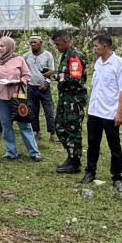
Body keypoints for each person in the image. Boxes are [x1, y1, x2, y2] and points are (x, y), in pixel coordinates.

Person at [0, 36, 42, 161]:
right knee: (6, 125)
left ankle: (34, 152)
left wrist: (17, 82)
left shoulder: (19, 59)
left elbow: (27, 76)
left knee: (24, 124)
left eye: (2, 46)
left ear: (10, 46)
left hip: (18, 96)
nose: (0, 48)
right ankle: (11, 152)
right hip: (2, 97)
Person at [84, 33, 122, 191]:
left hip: (110, 112)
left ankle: (117, 177)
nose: (94, 49)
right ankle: (90, 171)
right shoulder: (98, 63)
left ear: (105, 46)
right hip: (95, 111)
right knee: (92, 143)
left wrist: (119, 113)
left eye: (96, 46)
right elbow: (96, 88)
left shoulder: (120, 64)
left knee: (114, 145)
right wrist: (89, 108)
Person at [51, 29, 89, 175]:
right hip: (65, 99)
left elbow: (75, 76)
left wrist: (53, 74)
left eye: (58, 44)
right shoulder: (66, 55)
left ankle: (74, 162)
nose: (57, 47)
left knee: (73, 130)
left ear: (65, 41)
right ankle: (71, 156)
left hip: (74, 99)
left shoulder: (75, 56)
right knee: (60, 127)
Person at [23, 35, 57, 143]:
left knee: (49, 111)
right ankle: (36, 132)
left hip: (44, 87)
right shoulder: (26, 56)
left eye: (35, 42)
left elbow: (52, 70)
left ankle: (52, 134)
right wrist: (25, 80)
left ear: (40, 43)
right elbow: (23, 69)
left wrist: (46, 83)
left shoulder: (48, 55)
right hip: (32, 87)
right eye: (31, 42)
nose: (33, 44)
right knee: (33, 111)